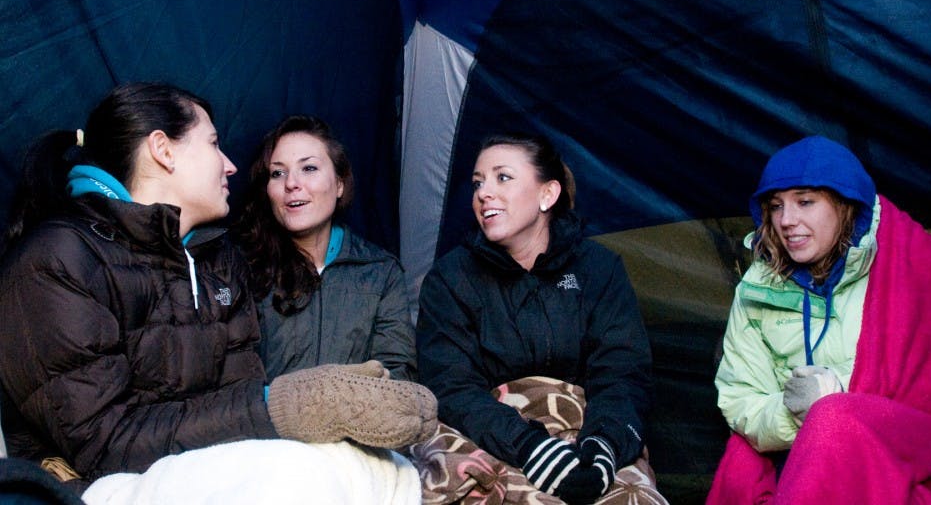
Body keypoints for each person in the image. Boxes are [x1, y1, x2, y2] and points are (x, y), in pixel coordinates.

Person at [0, 82, 435, 486]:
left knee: (376, 477)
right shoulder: (57, 260)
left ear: (341, 184)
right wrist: (291, 404)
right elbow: (106, 445)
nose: (230, 165)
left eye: (308, 169)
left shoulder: (215, 260)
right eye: (212, 144)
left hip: (208, 465)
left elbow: (238, 399)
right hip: (106, 484)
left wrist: (313, 406)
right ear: (163, 151)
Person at [709, 135, 931, 503]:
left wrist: (835, 400)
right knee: (741, 462)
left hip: (919, 454)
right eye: (775, 206)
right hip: (799, 452)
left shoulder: (914, 265)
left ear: (844, 204)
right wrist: (796, 414)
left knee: (834, 419)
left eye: (805, 202)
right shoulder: (755, 291)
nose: (786, 220)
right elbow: (740, 400)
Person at [414, 133, 665, 505]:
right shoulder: (450, 279)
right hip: (488, 434)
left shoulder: (599, 269)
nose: (484, 193)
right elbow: (452, 387)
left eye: (503, 177)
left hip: (587, 429)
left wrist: (604, 445)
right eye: (478, 182)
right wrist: (530, 447)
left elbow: (622, 373)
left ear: (548, 194)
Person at [237, 115, 416, 381]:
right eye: (278, 173)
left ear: (340, 184)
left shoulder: (380, 272)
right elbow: (234, 383)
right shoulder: (242, 269)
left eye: (308, 168)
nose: (291, 183)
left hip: (359, 421)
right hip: (269, 422)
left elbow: (398, 375)